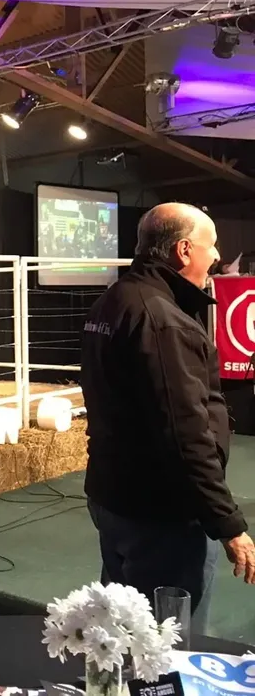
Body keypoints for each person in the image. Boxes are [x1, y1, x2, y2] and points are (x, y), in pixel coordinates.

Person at [80, 202, 255, 635]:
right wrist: (229, 524)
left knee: (121, 635)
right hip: (161, 514)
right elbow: (185, 434)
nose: (216, 257)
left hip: (114, 497)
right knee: (166, 648)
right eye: (211, 246)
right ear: (183, 250)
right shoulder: (163, 321)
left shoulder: (113, 301)